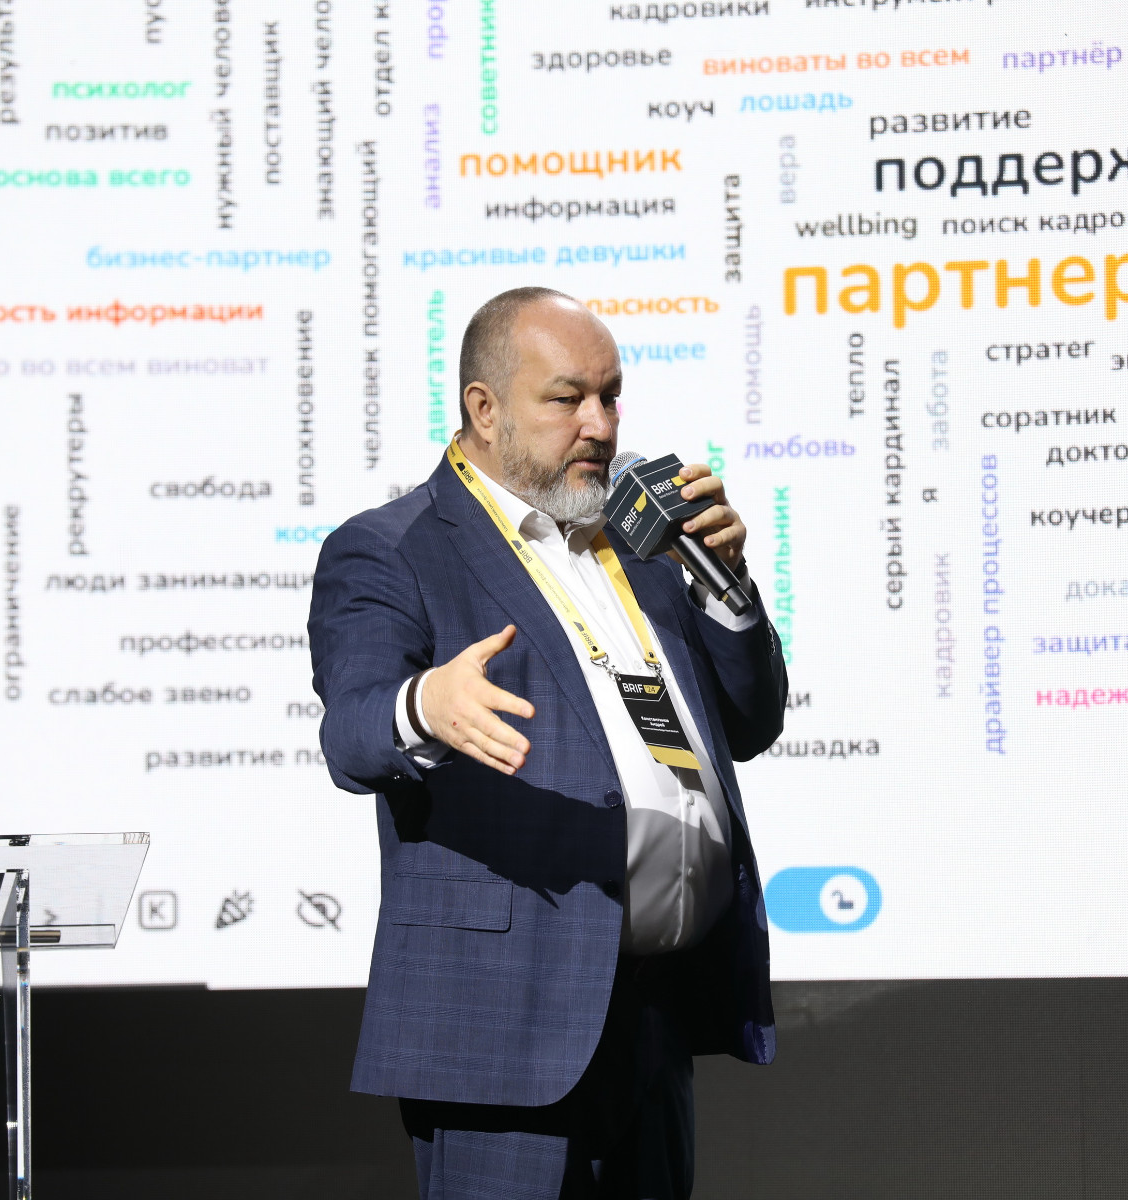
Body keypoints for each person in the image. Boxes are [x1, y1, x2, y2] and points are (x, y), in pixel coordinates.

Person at [307, 286, 786, 1198]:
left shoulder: (646, 547)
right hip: (504, 1021)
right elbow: (352, 732)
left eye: (611, 396)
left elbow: (750, 723)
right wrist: (425, 705)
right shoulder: (394, 548)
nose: (599, 425)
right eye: (567, 399)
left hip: (655, 1011)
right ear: (485, 409)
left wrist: (724, 585)